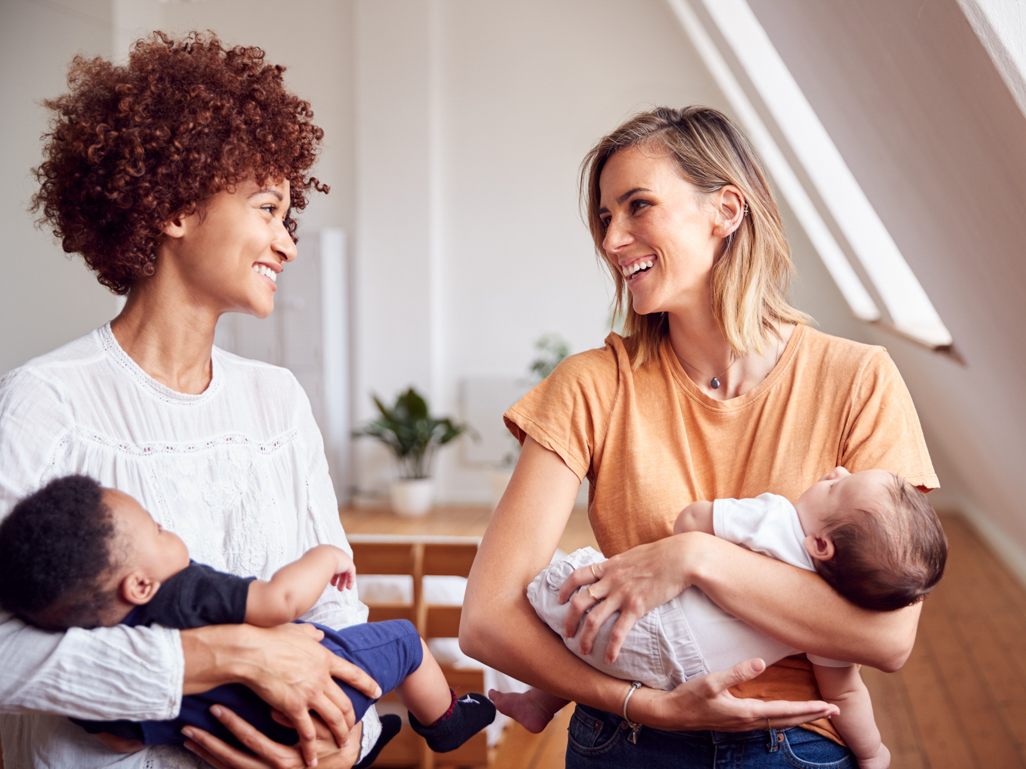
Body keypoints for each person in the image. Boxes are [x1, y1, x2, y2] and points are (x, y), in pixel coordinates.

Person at [460, 106, 939, 767]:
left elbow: (888, 638)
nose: (612, 238)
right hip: (624, 734)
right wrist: (644, 703)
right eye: (604, 217)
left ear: (727, 211)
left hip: (795, 742)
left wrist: (693, 558)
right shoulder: (590, 384)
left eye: (637, 206)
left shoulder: (859, 379)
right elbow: (485, 618)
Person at [0, 31, 384, 769]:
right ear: (175, 208)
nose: (289, 244)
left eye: (288, 216)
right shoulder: (43, 404)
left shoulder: (277, 401)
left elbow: (336, 603)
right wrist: (222, 654)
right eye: (268, 208)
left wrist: (346, 741)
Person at [0, 475, 496, 757]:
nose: (168, 530)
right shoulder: (182, 593)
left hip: (246, 743)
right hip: (314, 689)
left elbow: (116, 739)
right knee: (405, 641)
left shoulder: (93, 685)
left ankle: (377, 727)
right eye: (156, 529)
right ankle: (444, 720)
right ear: (140, 585)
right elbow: (280, 601)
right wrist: (325, 557)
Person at [493, 467, 948, 769]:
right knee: (595, 646)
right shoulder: (829, 616)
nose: (837, 470)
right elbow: (846, 693)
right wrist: (873, 755)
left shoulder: (777, 520)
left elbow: (688, 522)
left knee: (566, 592)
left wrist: (705, 540)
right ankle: (539, 701)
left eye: (835, 487)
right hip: (695, 676)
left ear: (822, 545)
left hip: (655, 629)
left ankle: (540, 696)